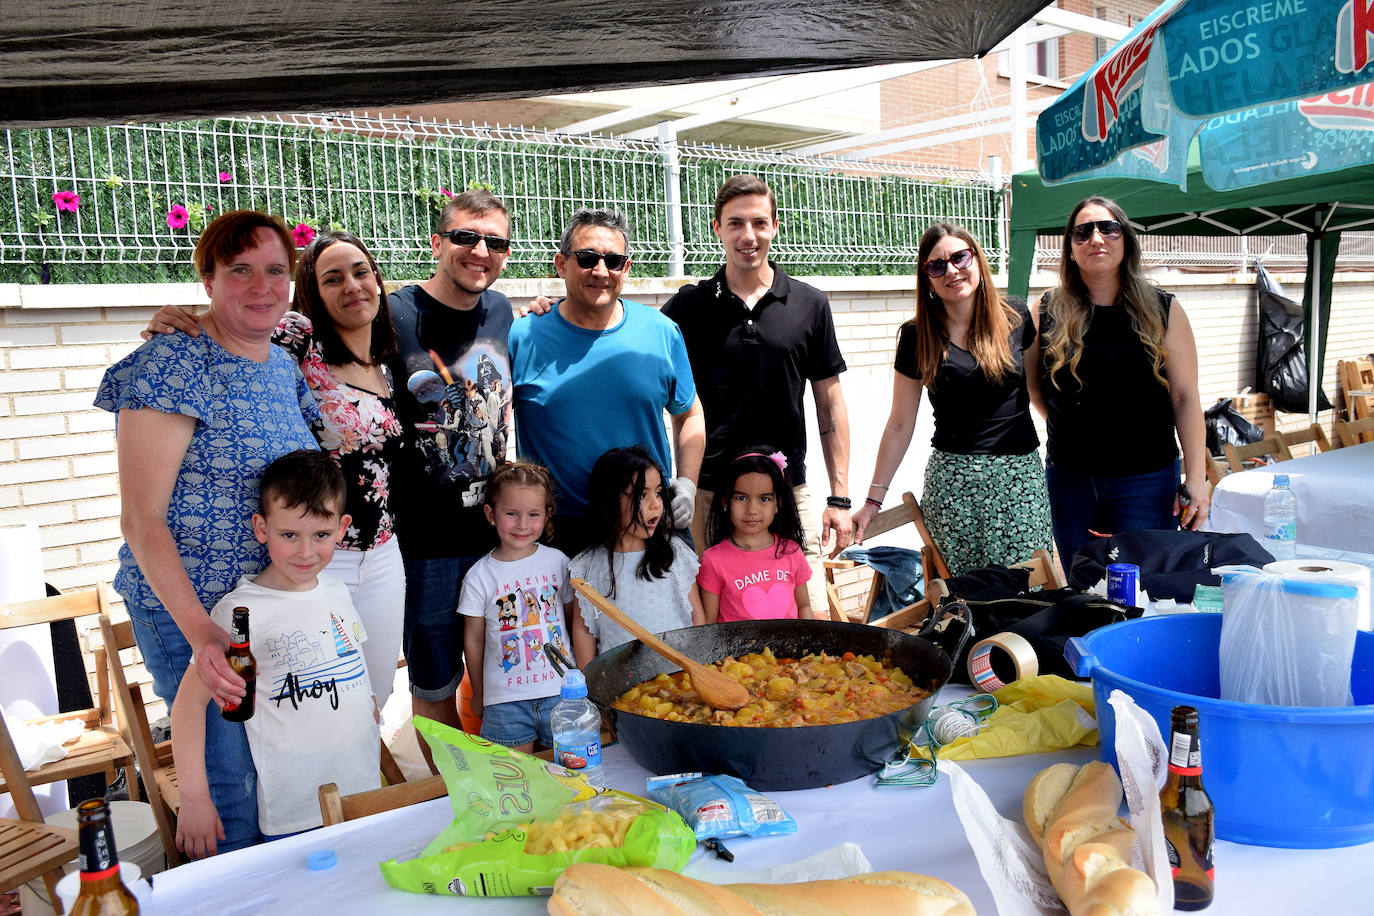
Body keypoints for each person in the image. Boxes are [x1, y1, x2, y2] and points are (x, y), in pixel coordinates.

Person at [95, 209, 320, 852]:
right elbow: (141, 521)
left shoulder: (281, 367)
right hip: (189, 608)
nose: (260, 287)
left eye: (275, 271)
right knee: (229, 788)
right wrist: (200, 631)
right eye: (239, 270)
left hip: (258, 607)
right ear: (208, 279)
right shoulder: (172, 361)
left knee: (272, 774)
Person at [139, 231, 409, 708]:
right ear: (310, 294)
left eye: (361, 271)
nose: (352, 285)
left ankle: (358, 781)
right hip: (320, 554)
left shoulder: (387, 359)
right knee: (322, 697)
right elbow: (236, 322)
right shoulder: (299, 341)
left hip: (383, 551)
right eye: (333, 278)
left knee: (375, 695)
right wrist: (176, 322)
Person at [171, 451, 379, 857]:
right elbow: (187, 706)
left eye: (321, 535)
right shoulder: (239, 613)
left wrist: (366, 701)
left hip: (364, 795)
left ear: (342, 529)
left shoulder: (338, 592)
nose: (306, 552)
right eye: (289, 536)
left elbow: (353, 659)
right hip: (295, 814)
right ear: (261, 529)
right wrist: (195, 799)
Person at [661, 175, 853, 609]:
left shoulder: (810, 304)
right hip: (708, 496)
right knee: (708, 628)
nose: (748, 236)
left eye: (759, 223)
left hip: (785, 494)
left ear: (775, 226)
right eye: (735, 224)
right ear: (716, 229)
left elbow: (830, 405)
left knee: (811, 623)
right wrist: (552, 311)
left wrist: (839, 498)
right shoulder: (688, 308)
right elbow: (621, 330)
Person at [387, 190, 515, 759]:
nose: (480, 250)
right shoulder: (394, 314)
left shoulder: (504, 311)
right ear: (437, 242)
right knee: (435, 684)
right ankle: (448, 795)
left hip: (499, 540)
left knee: (505, 678)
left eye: (495, 242)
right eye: (466, 236)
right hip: (426, 546)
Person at [851, 223, 1052, 576]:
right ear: (926, 277)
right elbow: (900, 424)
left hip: (1019, 480)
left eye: (960, 257)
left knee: (1031, 588)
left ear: (976, 259)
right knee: (965, 597)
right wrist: (872, 501)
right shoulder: (917, 336)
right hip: (954, 486)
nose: (952, 271)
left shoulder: (1015, 316)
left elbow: (1037, 392)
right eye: (936, 265)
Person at [508, 208, 705, 557]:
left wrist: (687, 484)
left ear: (626, 269)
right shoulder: (523, 335)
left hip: (648, 524)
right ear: (561, 264)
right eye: (586, 259)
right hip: (555, 533)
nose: (601, 271)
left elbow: (689, 414)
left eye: (613, 261)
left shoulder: (660, 332)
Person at [1033, 196, 1210, 562]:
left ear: (1126, 239)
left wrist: (1197, 478)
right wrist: (1072, 427)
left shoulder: (1163, 309)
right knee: (1083, 589)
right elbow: (1034, 387)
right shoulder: (1047, 309)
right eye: (1082, 232)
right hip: (1070, 480)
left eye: (1108, 228)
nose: (1096, 238)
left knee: (1140, 589)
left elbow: (1185, 398)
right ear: (1070, 248)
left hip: (1145, 481)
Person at [458, 462, 574, 753]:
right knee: (510, 785)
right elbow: (473, 639)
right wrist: (480, 693)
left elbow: (573, 621)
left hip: (561, 694)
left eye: (533, 515)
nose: (522, 524)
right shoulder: (479, 576)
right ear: (491, 514)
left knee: (568, 783)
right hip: (504, 701)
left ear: (546, 515)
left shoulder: (558, 562)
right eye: (512, 514)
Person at [568, 447, 705, 666]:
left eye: (659, 492)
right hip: (620, 687)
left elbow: (697, 617)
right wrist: (590, 686)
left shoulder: (676, 553)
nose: (656, 504)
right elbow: (584, 630)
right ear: (608, 502)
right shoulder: (587, 567)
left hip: (680, 679)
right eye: (642, 495)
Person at [699, 449, 814, 623]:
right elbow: (709, 623)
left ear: (778, 504)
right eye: (741, 498)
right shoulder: (713, 560)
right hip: (737, 651)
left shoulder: (792, 551)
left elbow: (804, 606)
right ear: (725, 501)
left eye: (764, 499)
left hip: (791, 650)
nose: (752, 510)